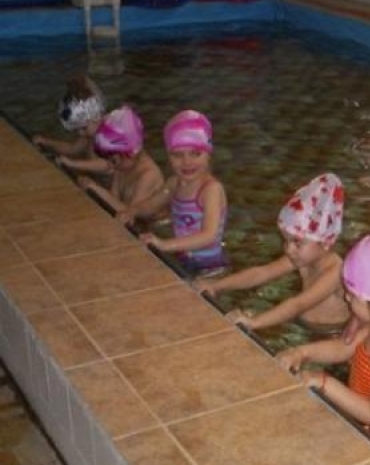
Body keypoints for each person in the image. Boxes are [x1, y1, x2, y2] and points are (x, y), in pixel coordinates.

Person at [277, 231, 370, 442]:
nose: (346, 297)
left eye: (353, 295)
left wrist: (324, 382)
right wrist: (302, 352)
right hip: (360, 419)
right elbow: (343, 348)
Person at [194, 173, 350, 335]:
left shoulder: (336, 272)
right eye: (286, 240)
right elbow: (262, 273)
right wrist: (216, 285)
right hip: (301, 324)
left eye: (297, 242)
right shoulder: (302, 258)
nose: (289, 249)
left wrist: (254, 322)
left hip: (328, 333)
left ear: (325, 242)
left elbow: (299, 304)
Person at [118, 109, 228, 277]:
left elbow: (209, 236)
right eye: (178, 155)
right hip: (183, 258)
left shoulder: (211, 190)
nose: (187, 162)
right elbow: (152, 204)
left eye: (195, 153)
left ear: (208, 153)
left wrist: (164, 244)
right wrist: (132, 211)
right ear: (168, 156)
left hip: (209, 267)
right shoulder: (174, 183)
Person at [76, 105, 165, 220]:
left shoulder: (148, 175)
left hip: (155, 226)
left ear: (131, 153)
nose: (111, 165)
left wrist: (96, 188)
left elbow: (131, 215)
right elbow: (113, 199)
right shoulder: (121, 167)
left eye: (114, 160)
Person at [32, 74, 111, 175]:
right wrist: (45, 141)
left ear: (98, 119)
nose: (80, 132)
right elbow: (72, 148)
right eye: (77, 128)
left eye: (82, 128)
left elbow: (107, 164)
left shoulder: (109, 136)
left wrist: (72, 163)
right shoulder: (89, 134)